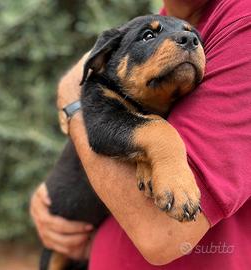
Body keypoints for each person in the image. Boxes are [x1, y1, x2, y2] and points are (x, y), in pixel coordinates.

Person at [30, 0, 251, 268]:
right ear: (105, 60)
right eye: (148, 36)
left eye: (195, 38)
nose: (187, 38)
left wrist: (70, 98)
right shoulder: (111, 88)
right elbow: (101, 134)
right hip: (70, 241)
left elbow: (163, 236)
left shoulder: (240, 22)